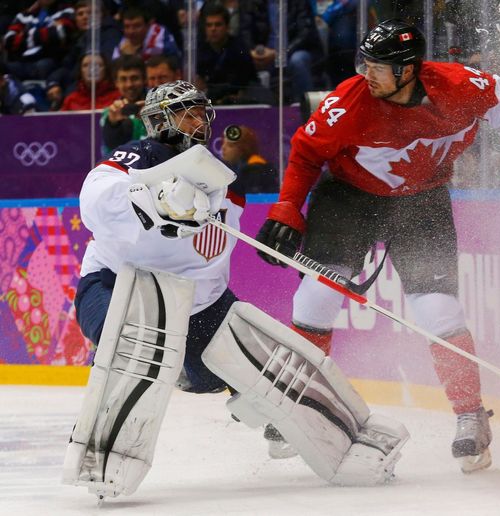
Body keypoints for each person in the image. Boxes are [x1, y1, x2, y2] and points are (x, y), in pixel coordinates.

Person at [64, 79, 409, 499]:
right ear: (158, 121)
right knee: (132, 348)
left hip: (198, 303)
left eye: (198, 112)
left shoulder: (224, 183)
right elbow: (96, 199)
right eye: (183, 113)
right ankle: (102, 461)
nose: (195, 121)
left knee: (275, 368)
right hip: (116, 285)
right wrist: (154, 203)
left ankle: (345, 440)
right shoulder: (139, 156)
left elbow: (209, 258)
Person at [255, 19, 500, 472]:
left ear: (408, 70)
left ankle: (470, 416)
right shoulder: (348, 102)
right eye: (365, 63)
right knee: (318, 294)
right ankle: (296, 400)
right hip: (349, 197)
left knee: (438, 310)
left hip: (423, 199)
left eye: (378, 66)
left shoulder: (461, 86)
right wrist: (286, 208)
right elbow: (305, 152)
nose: (367, 73)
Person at [100, 55, 147, 154]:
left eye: (134, 78)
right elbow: (111, 149)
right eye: (123, 79)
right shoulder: (109, 113)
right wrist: (112, 125)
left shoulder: (157, 108)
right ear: (116, 82)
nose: (129, 84)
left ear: (144, 79)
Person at [220, 124, 279, 193]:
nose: (223, 148)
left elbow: (253, 200)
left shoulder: (255, 170)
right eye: (223, 143)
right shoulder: (234, 168)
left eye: (230, 145)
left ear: (243, 148)